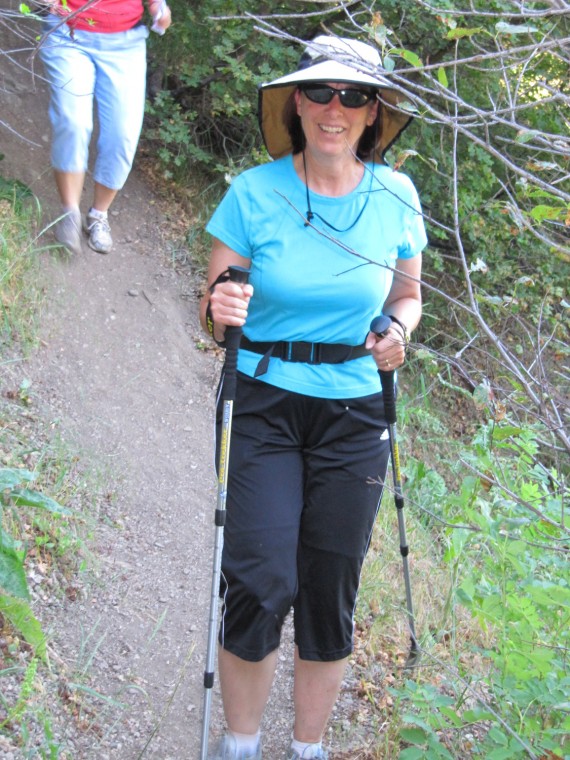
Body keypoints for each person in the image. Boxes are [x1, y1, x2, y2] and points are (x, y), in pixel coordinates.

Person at [199, 35, 427, 760]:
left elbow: (409, 294)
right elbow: (212, 308)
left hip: (356, 411)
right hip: (264, 400)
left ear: (373, 113)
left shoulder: (396, 196)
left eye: (353, 95)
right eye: (321, 93)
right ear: (297, 103)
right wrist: (219, 306)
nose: (335, 108)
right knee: (261, 579)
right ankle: (239, 745)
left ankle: (307, 749)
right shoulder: (253, 193)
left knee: (330, 591)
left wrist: (397, 330)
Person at [38, 0, 172, 255]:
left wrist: (159, 10)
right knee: (72, 120)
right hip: (68, 32)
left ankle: (98, 215)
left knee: (123, 134)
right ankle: (69, 213)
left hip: (125, 42)